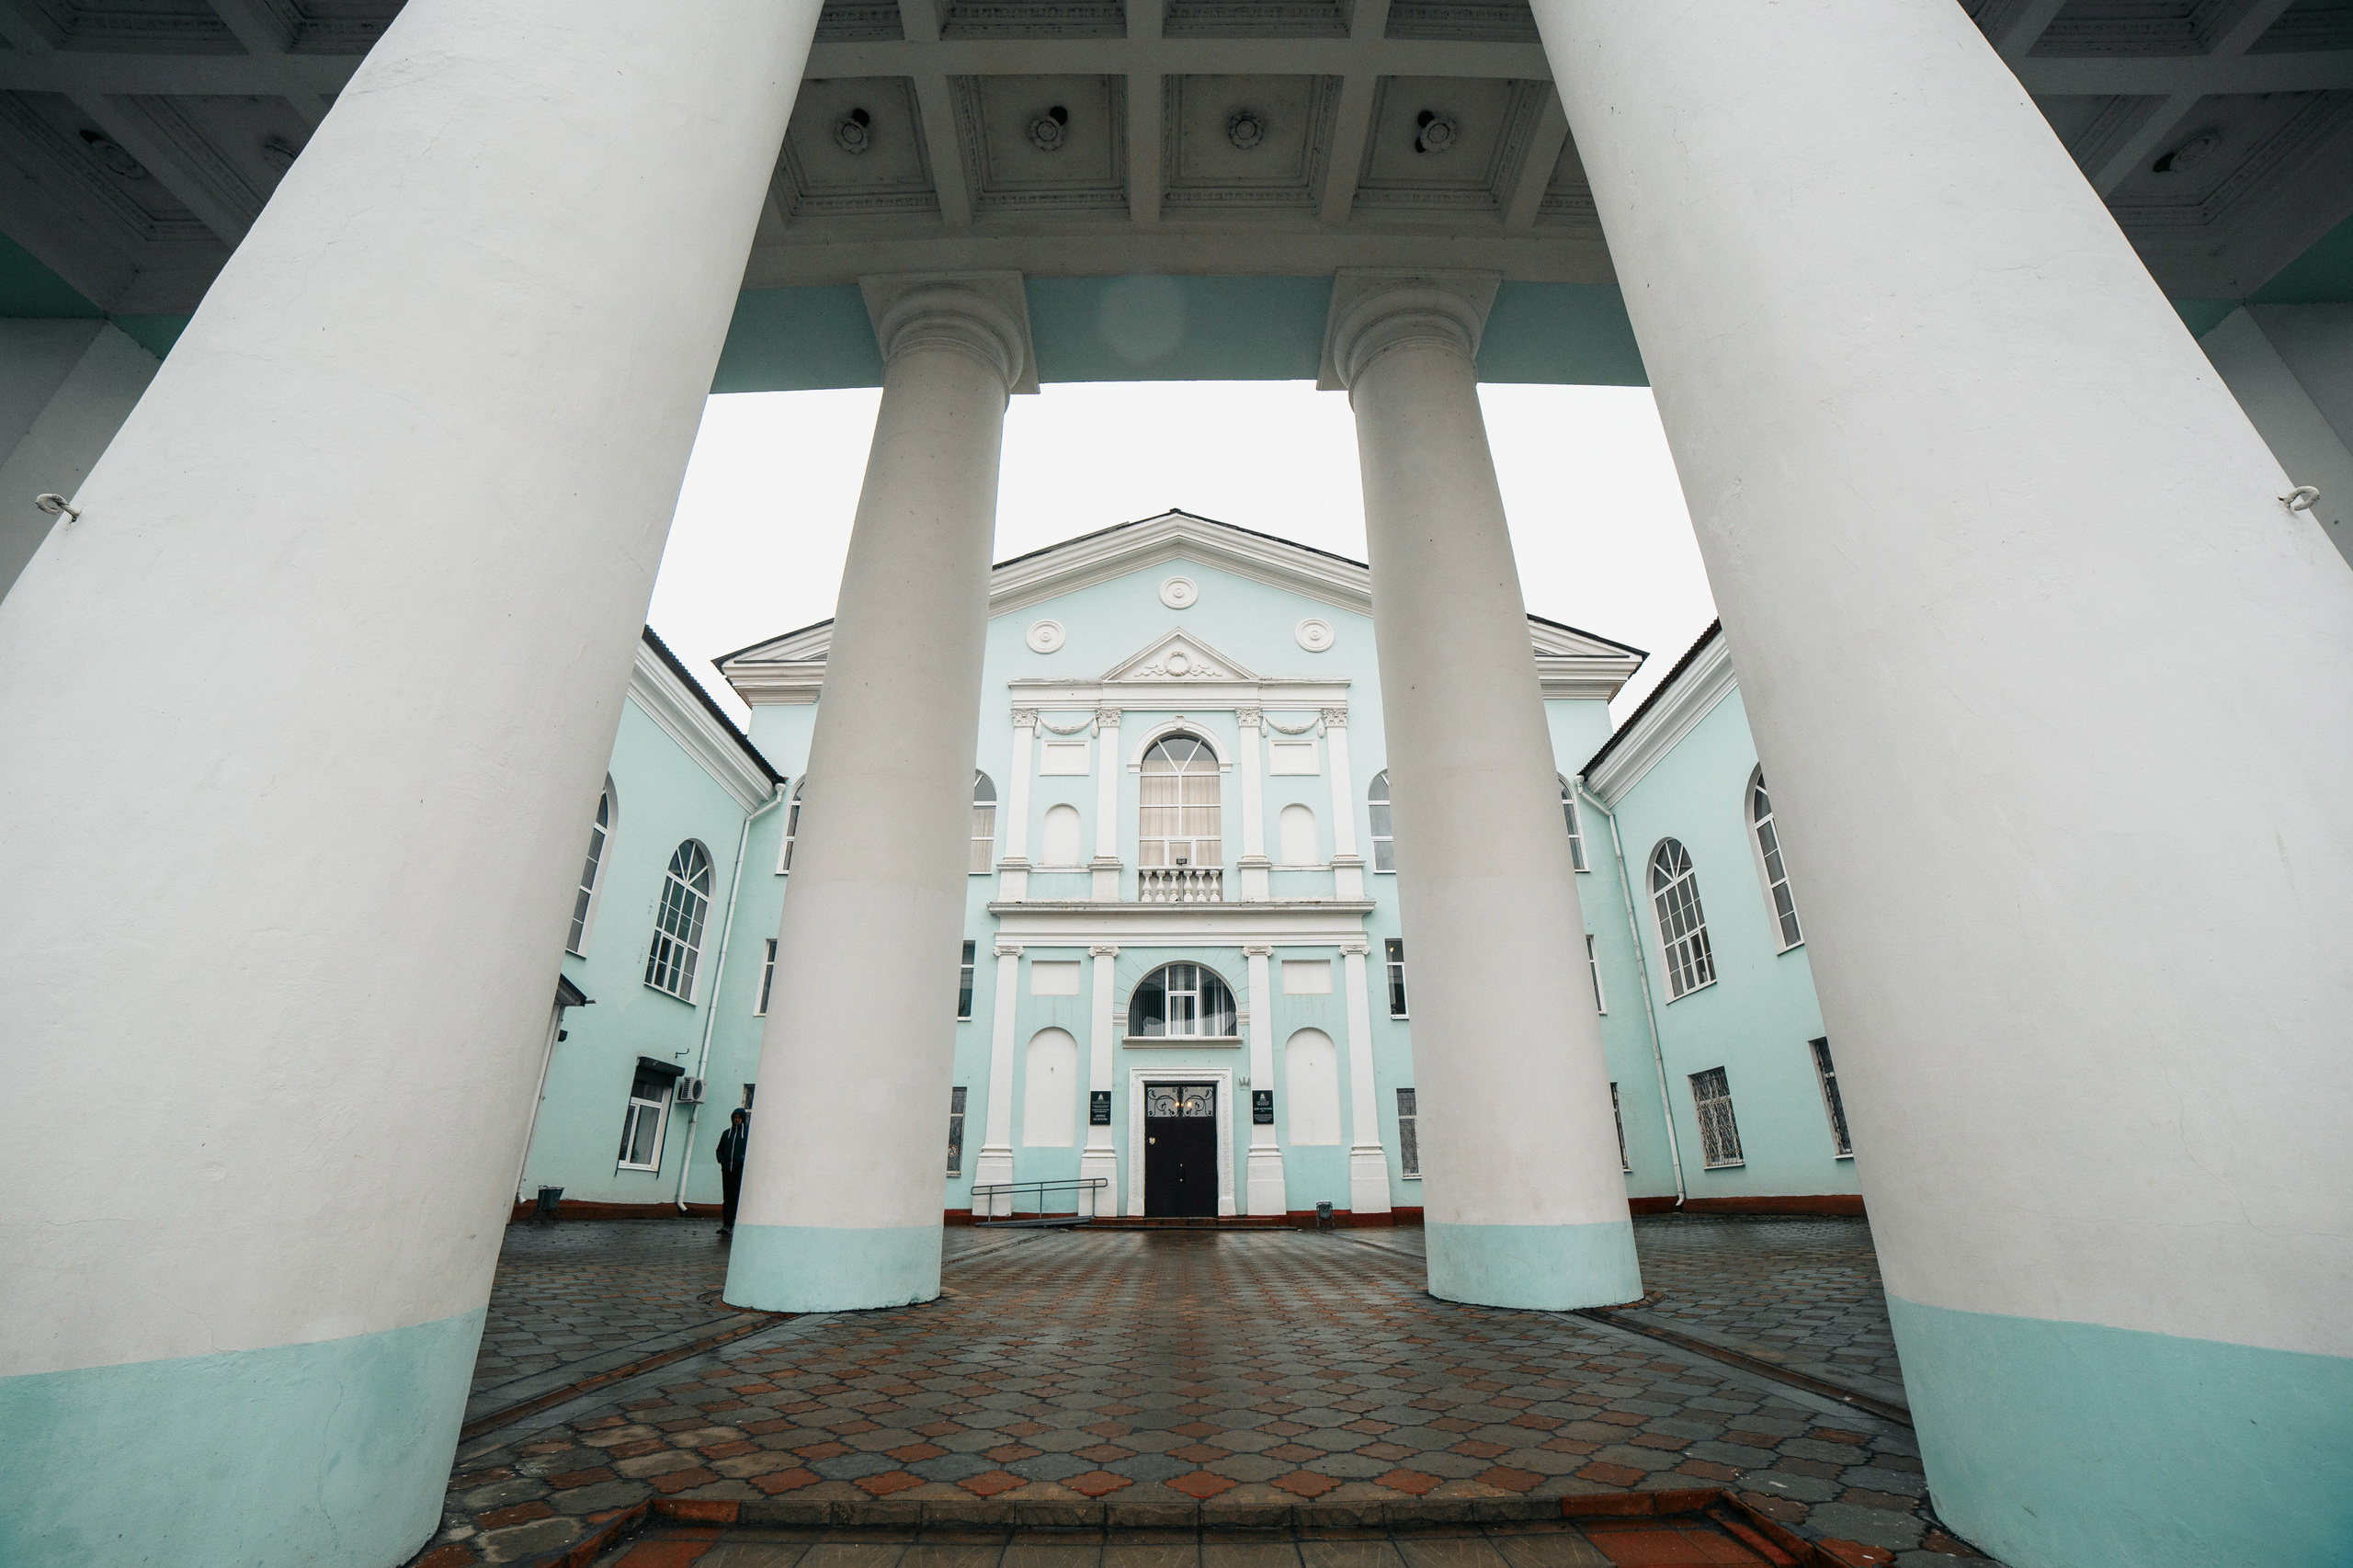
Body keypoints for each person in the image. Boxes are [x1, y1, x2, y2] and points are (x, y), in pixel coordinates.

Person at [714, 1107, 750, 1241]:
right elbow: (719, 1150)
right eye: (735, 1117)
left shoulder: (747, 1134)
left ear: (743, 1119)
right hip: (727, 1170)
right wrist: (722, 1160)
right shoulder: (726, 1134)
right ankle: (727, 1224)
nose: (737, 1120)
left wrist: (742, 1161)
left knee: (737, 1198)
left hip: (739, 1171)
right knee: (727, 1198)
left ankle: (737, 1222)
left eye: (739, 1118)